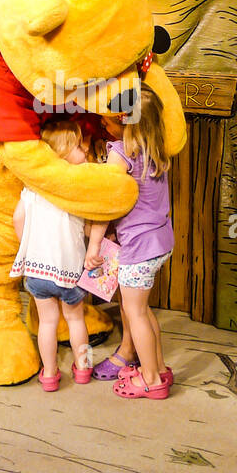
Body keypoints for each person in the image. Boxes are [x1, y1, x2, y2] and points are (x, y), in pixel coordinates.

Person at [87, 83, 175, 399]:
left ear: (124, 120)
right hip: (161, 242)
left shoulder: (121, 155)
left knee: (135, 314)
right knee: (142, 310)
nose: (103, 124)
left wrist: (94, 246)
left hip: (138, 248)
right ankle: (159, 368)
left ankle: (150, 379)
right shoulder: (155, 149)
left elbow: (106, 206)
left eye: (108, 121)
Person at [11, 120, 104, 391]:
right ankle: (84, 367)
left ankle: (50, 373)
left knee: (48, 324)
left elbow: (18, 218)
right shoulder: (76, 188)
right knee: (76, 320)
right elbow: (87, 226)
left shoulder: (33, 188)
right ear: (62, 152)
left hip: (38, 271)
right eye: (77, 146)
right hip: (70, 272)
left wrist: (27, 247)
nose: (84, 150)